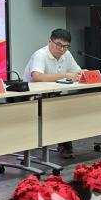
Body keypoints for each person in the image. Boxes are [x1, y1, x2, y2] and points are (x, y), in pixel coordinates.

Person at [22, 28, 81, 158]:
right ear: (50, 41)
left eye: (65, 46)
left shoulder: (67, 54)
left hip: (52, 96)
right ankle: (60, 144)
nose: (62, 49)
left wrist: (83, 73)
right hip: (32, 98)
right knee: (62, 108)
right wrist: (65, 75)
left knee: (70, 106)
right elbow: (37, 76)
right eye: (59, 45)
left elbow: (77, 71)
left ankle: (64, 144)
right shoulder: (40, 54)